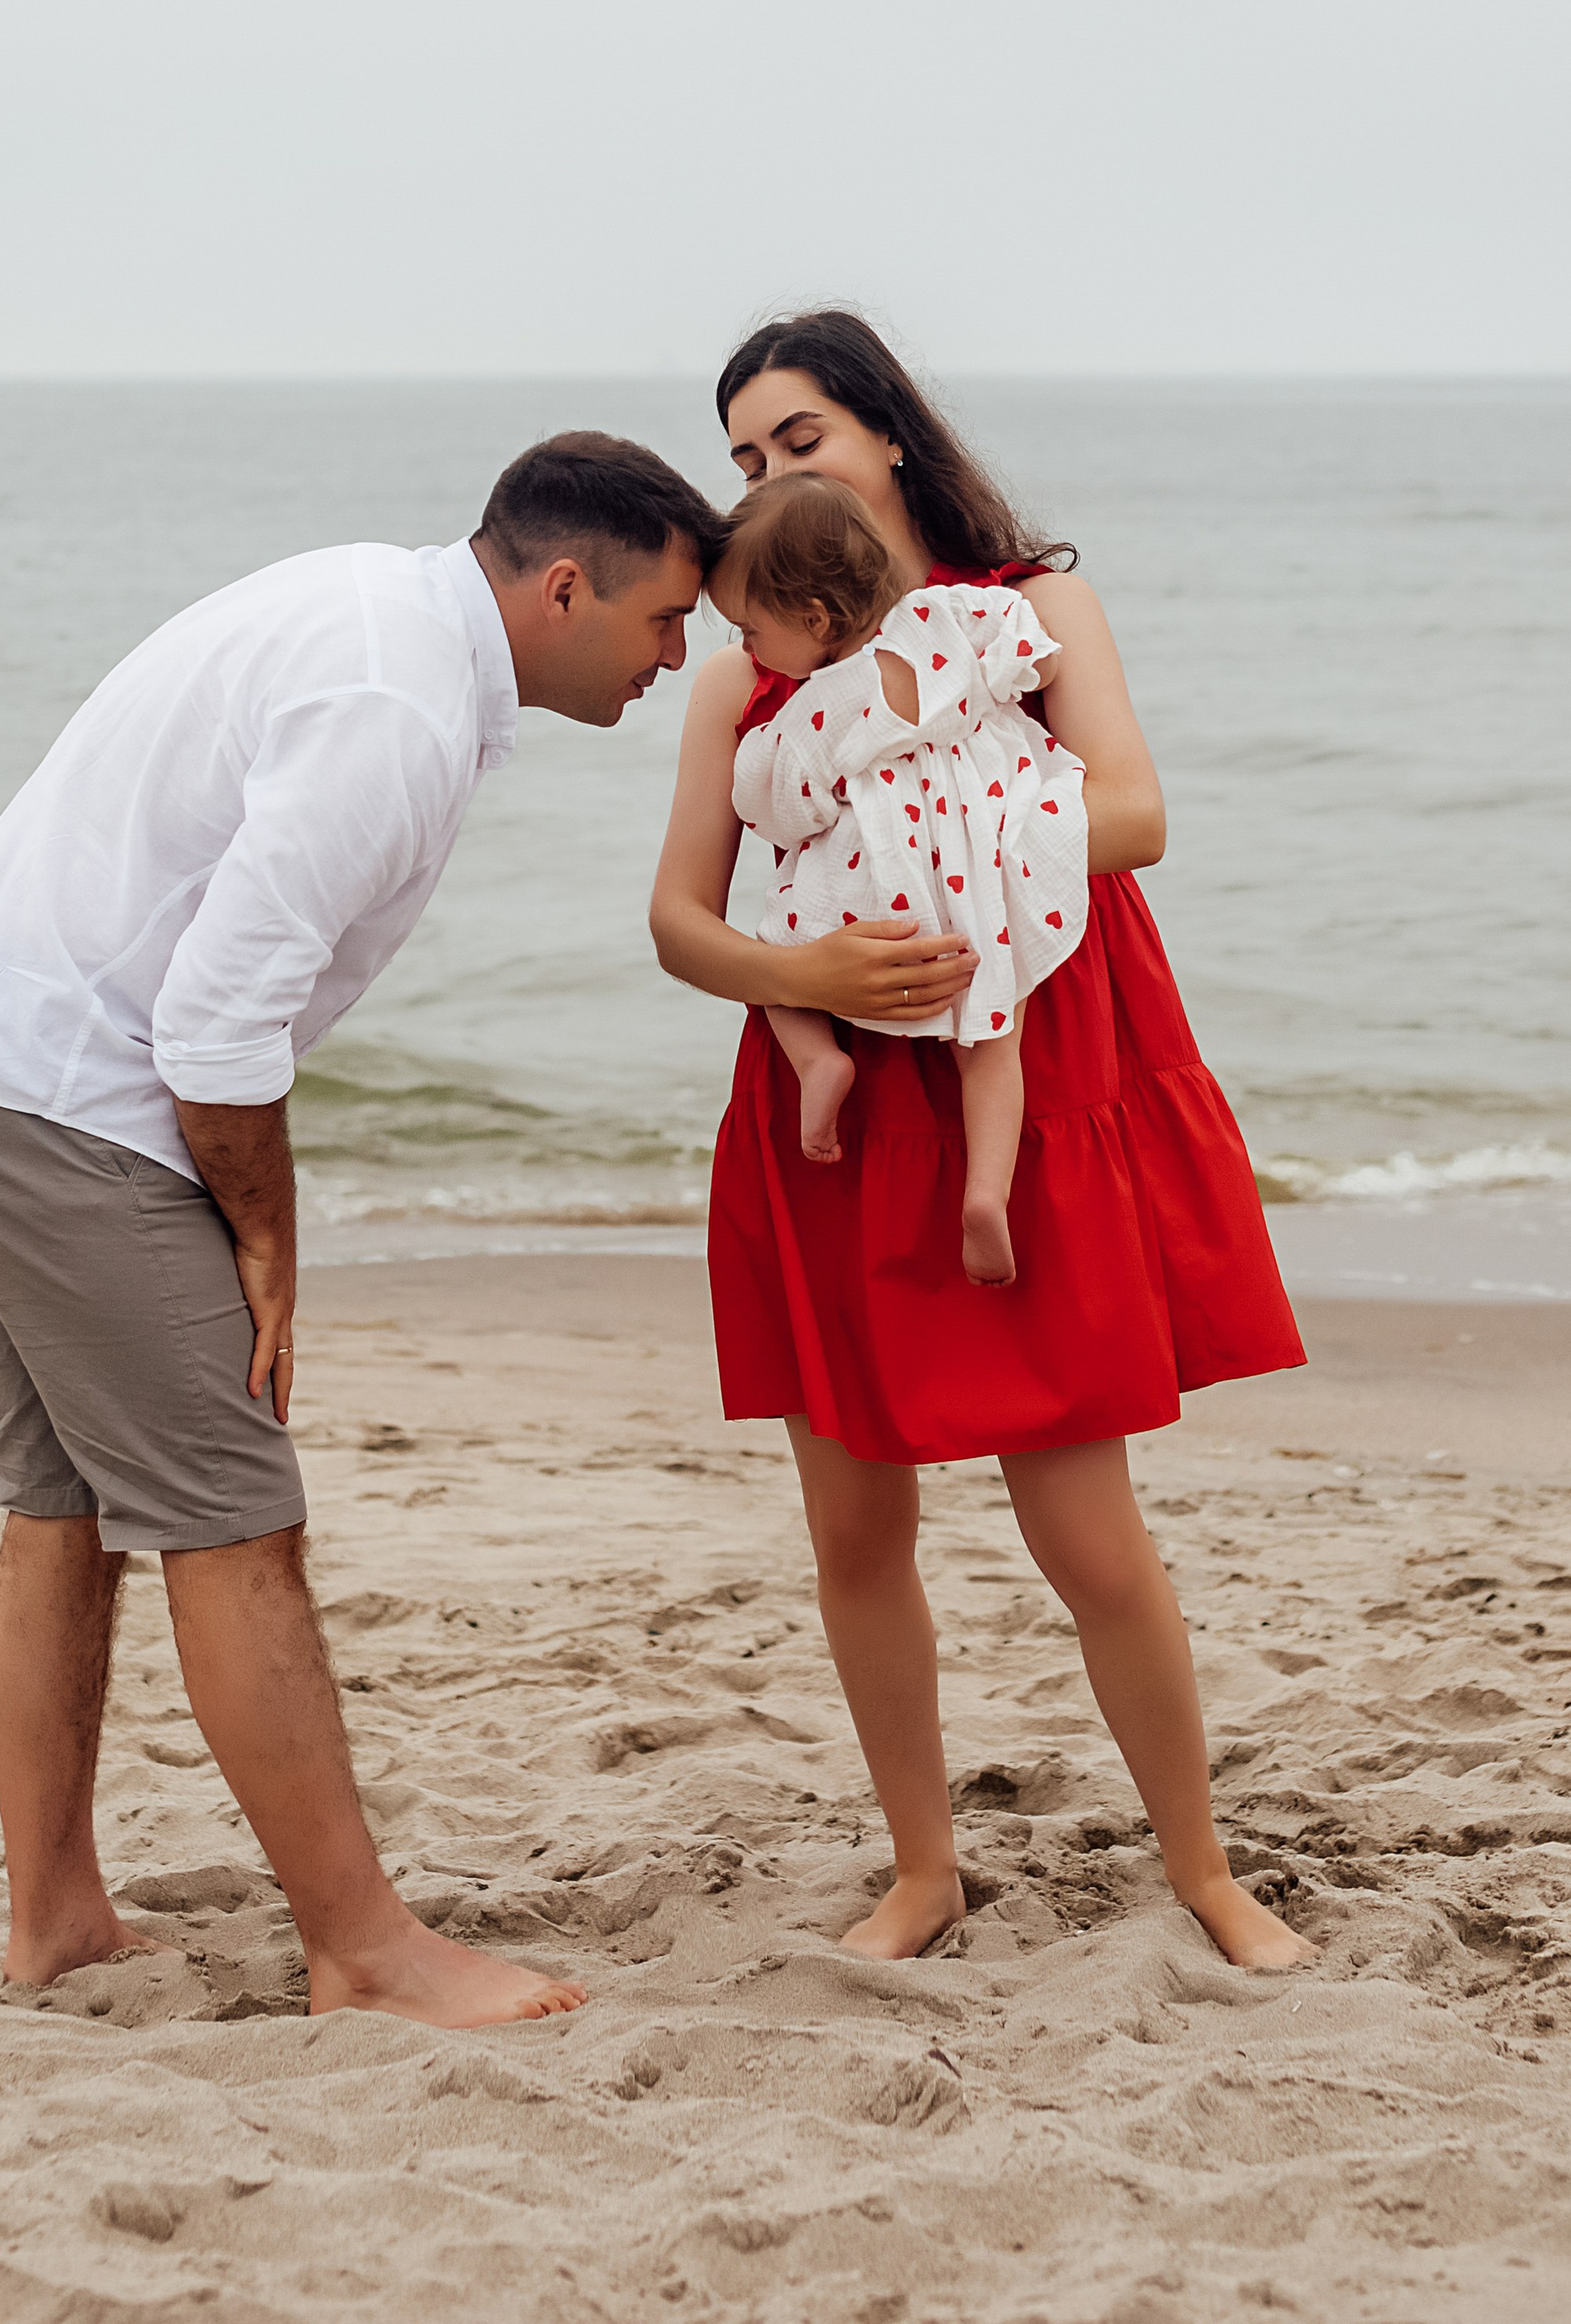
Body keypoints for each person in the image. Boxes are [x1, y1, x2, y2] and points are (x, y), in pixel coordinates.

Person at [0, 432, 724, 2028]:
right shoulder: (393, 706)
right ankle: (365, 1949)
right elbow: (212, 1026)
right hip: (61, 1095)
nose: (679, 660)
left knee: (62, 1505)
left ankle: (56, 1921)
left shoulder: (387, 622)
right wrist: (266, 1239)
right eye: (666, 621)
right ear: (561, 587)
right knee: (237, 1515)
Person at [650, 313, 1313, 1973]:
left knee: (1084, 1526)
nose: (766, 476)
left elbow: (1133, 817)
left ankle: (1201, 1868)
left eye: (793, 439)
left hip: (1028, 1062)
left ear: (881, 430)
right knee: (857, 1530)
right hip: (834, 1102)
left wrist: (928, 822)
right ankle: (921, 1868)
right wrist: (794, 974)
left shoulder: (1032, 611)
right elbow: (679, 920)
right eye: (741, 459)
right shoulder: (749, 667)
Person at [706, 470, 1091, 1286]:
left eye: (749, 628)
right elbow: (1028, 653)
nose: (745, 646)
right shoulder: (948, 620)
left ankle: (819, 1063)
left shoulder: (819, 703)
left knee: (778, 952)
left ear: (812, 619)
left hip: (885, 885)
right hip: (979, 871)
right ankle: (987, 1194)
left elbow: (777, 807)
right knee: (993, 1038)